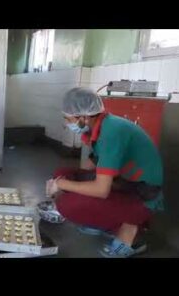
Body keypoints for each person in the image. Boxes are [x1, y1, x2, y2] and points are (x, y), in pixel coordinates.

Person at [46, 87, 164, 258]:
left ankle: (129, 230)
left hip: (143, 195)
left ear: (83, 117)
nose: (67, 123)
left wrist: (61, 185)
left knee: (67, 203)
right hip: (125, 182)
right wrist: (64, 180)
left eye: (68, 118)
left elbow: (101, 190)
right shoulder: (103, 125)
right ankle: (102, 219)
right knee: (63, 173)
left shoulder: (111, 132)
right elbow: (93, 162)